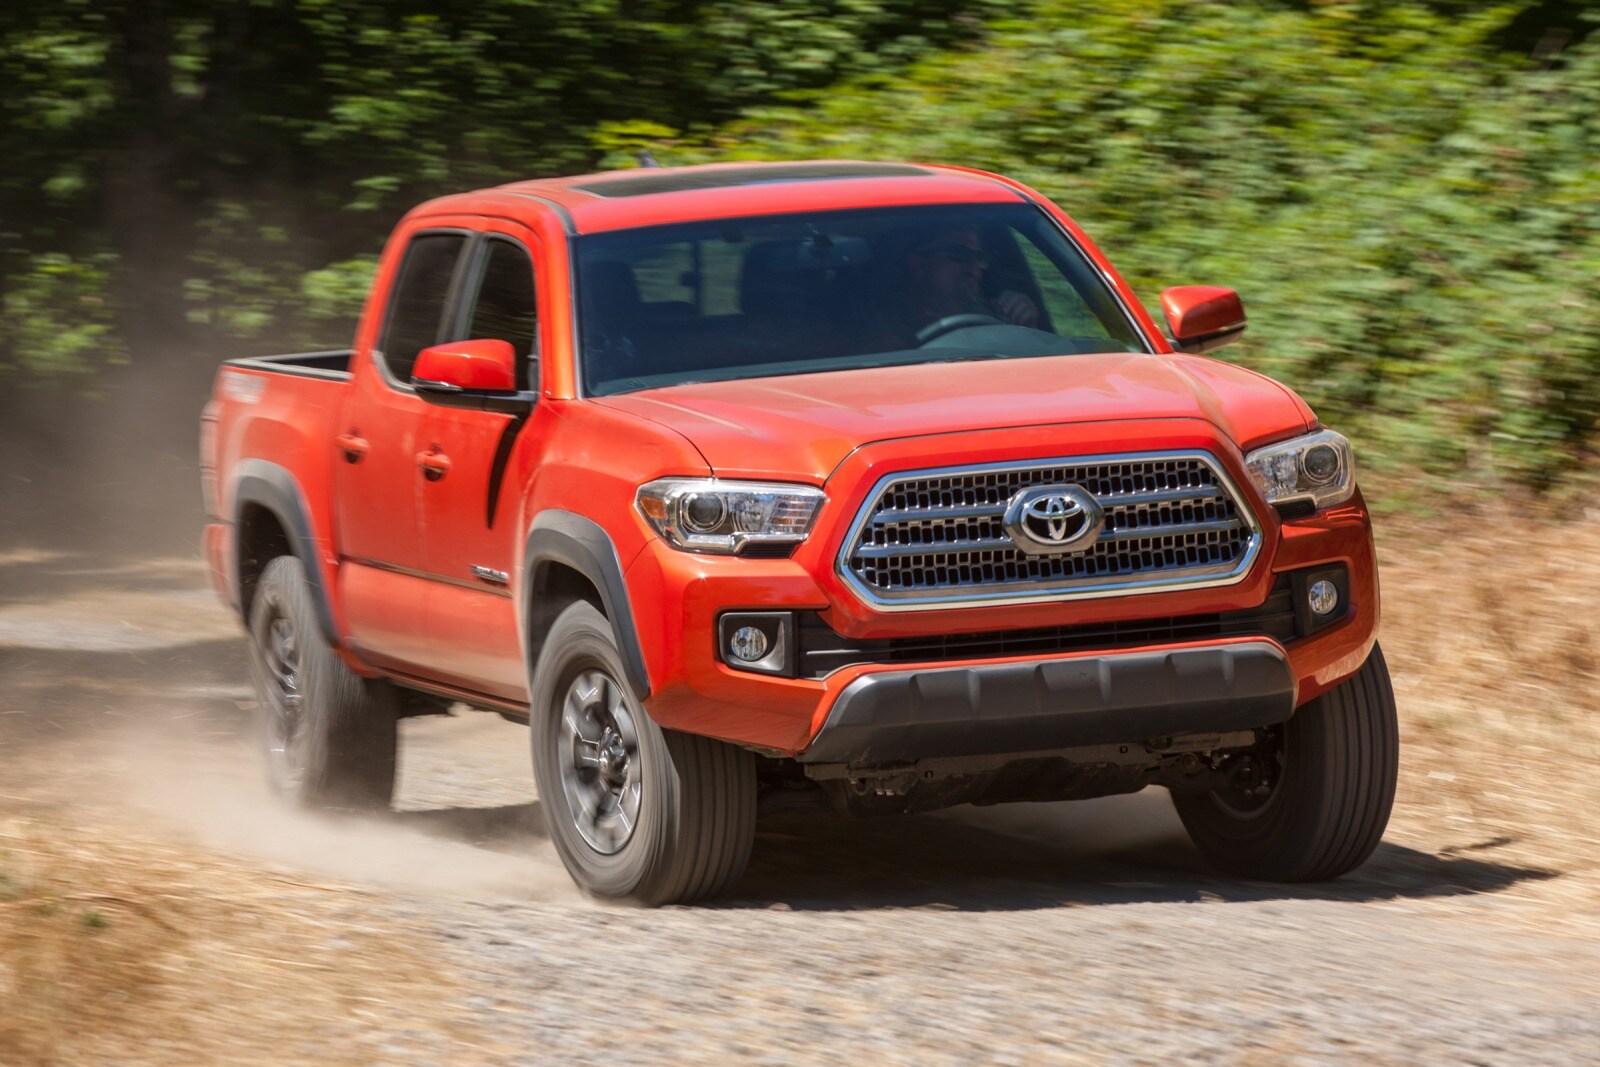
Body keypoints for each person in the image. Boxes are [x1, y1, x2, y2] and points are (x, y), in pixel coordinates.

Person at [900, 225, 1040, 335]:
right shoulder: (888, 333)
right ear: (919, 265)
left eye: (979, 258)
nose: (973, 269)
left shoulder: (996, 318)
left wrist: (1025, 328)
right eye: (959, 255)